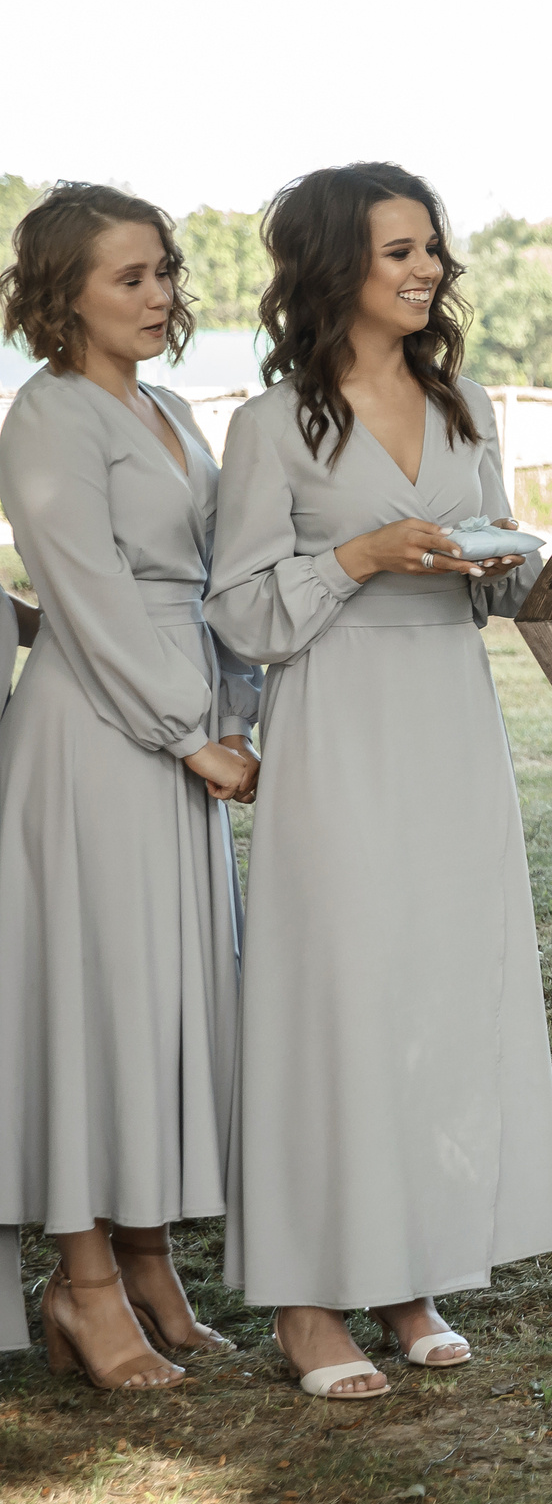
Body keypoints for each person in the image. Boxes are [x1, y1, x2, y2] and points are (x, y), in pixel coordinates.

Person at [205, 163, 552, 1399]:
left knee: (433, 993)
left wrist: (513, 564)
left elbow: (501, 560)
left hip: (449, 724)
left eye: (431, 250)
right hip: (339, 723)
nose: (425, 270)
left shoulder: (464, 402)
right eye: (398, 252)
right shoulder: (269, 427)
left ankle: (407, 1276)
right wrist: (357, 556)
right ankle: (307, 1303)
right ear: (331, 269)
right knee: (339, 996)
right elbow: (244, 612)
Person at [0, 184, 261, 1388]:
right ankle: (84, 1280)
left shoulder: (166, 409)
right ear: (64, 295)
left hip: (182, 717)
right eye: (129, 278)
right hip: (101, 729)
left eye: (163, 272)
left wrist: (234, 710)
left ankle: (151, 1257)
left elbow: (206, 576)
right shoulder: (47, 415)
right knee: (93, 995)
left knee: (165, 993)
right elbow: (89, 595)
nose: (159, 296)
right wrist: (183, 729)